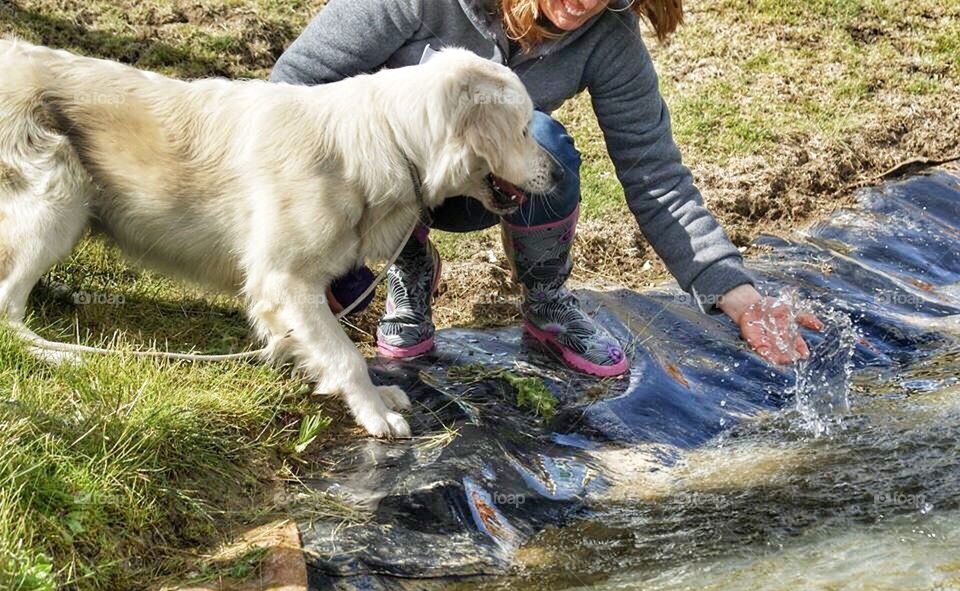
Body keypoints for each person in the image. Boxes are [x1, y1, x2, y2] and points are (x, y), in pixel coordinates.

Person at [271, 0, 823, 376]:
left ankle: (547, 303)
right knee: (407, 135)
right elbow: (286, 94)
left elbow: (655, 173)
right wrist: (319, 247)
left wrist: (737, 292)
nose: (582, 2)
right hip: (374, 181)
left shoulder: (609, 30)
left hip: (486, 189)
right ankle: (407, 269)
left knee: (544, 141)